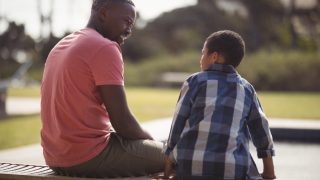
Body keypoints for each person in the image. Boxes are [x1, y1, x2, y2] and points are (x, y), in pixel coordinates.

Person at [40, 0, 165, 178]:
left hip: (54, 156)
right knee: (177, 156)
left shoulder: (62, 44)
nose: (129, 30)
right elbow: (123, 124)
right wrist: (153, 144)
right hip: (87, 157)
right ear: (104, 14)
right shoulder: (105, 47)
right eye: (127, 22)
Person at [164, 30, 276, 180]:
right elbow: (261, 130)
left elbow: (177, 126)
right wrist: (269, 172)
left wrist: (167, 168)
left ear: (214, 57)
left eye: (203, 53)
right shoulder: (246, 89)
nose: (200, 59)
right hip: (232, 171)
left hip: (189, 169)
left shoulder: (194, 82)